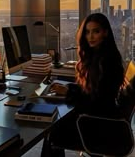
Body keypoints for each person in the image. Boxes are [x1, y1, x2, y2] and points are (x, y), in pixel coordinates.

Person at [41, 13, 126, 157]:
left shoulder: (108, 61)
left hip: (98, 126)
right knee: (55, 124)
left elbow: (97, 102)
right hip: (101, 119)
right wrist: (69, 88)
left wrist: (68, 93)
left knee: (52, 129)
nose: (91, 36)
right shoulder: (100, 55)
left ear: (105, 33)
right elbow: (93, 92)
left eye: (96, 31)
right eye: (87, 32)